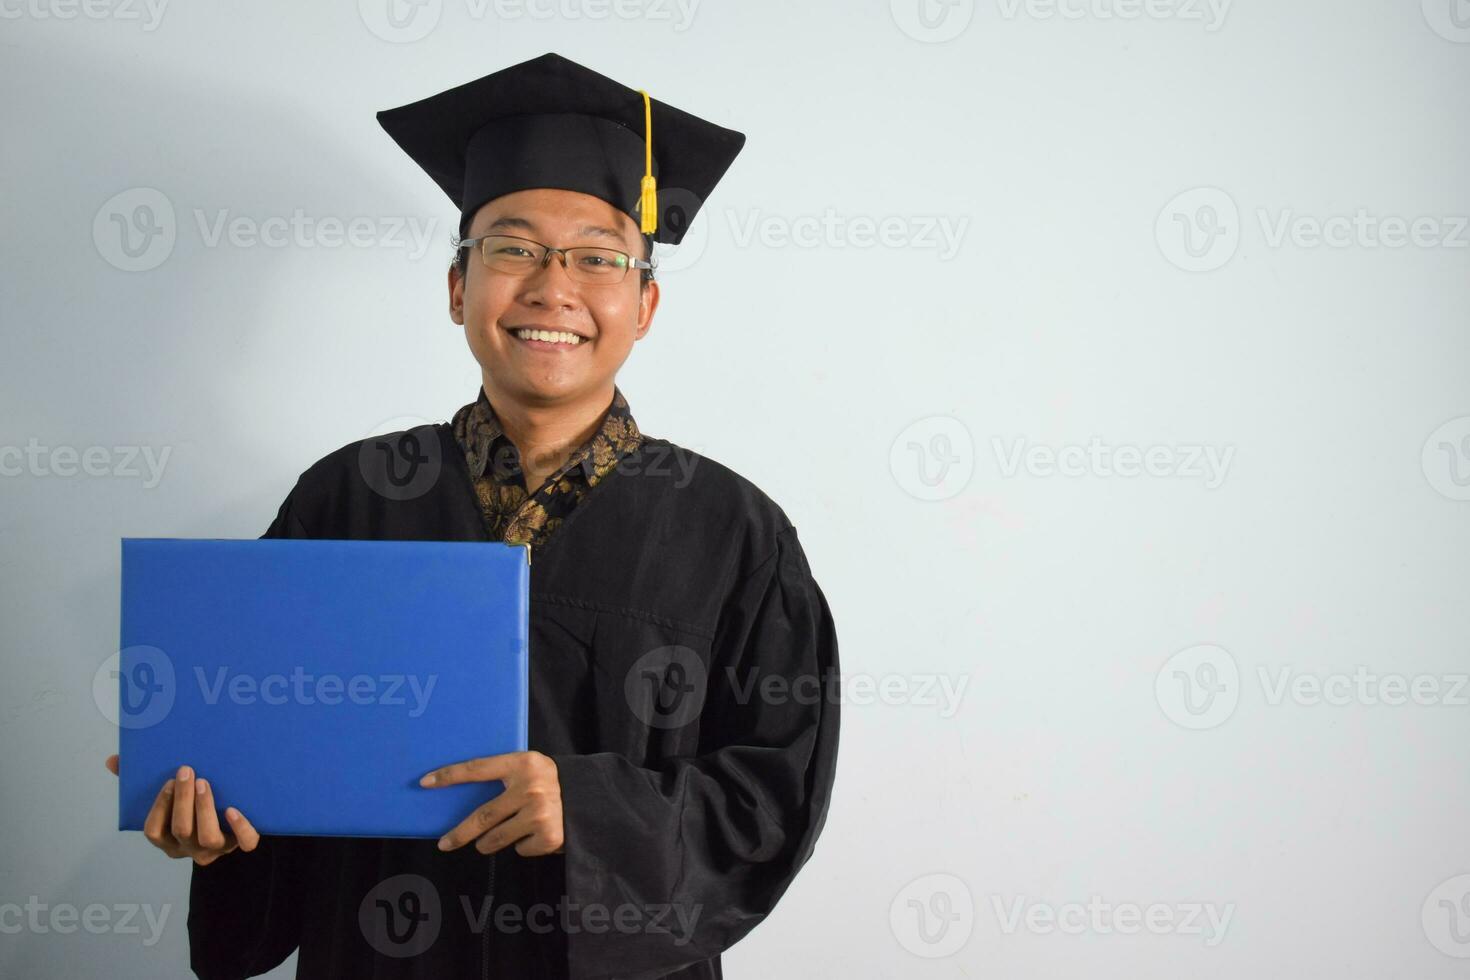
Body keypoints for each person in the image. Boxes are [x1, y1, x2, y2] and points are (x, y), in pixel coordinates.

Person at [104, 51, 840, 979]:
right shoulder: (351, 497)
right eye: (513, 247)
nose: (551, 286)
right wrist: (220, 825)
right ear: (458, 288)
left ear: (644, 303)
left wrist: (589, 808)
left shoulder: (734, 532)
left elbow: (773, 797)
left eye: (597, 257)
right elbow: (269, 746)